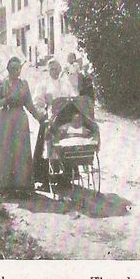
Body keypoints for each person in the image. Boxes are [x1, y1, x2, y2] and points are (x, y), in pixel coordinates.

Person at [0, 57, 44, 196]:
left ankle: (21, 185)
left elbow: (29, 104)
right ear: (7, 69)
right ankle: (5, 186)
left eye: (18, 69)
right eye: (12, 69)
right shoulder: (2, 84)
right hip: (4, 120)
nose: (15, 71)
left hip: (20, 120)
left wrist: (39, 118)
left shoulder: (23, 84)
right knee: (6, 151)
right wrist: (6, 99)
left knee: (20, 151)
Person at [32, 58, 78, 187]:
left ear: (60, 69)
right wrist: (43, 112)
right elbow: (37, 101)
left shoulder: (66, 83)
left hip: (64, 119)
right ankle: (46, 179)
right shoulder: (43, 84)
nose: (55, 71)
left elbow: (74, 98)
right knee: (47, 147)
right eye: (52, 69)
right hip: (50, 118)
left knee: (66, 145)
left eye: (57, 68)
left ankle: (66, 177)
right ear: (48, 70)